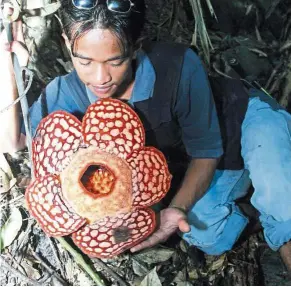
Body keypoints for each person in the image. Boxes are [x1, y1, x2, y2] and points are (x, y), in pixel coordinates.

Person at [1, 0, 291, 273]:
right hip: (199, 164)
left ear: (135, 47)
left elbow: (207, 151)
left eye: (115, 61)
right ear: (67, 44)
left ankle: (272, 206)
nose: (101, 77)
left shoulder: (176, 65)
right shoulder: (64, 96)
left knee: (281, 203)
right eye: (85, 61)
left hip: (243, 122)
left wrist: (177, 206)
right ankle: (259, 209)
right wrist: (8, 66)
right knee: (209, 236)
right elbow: (13, 142)